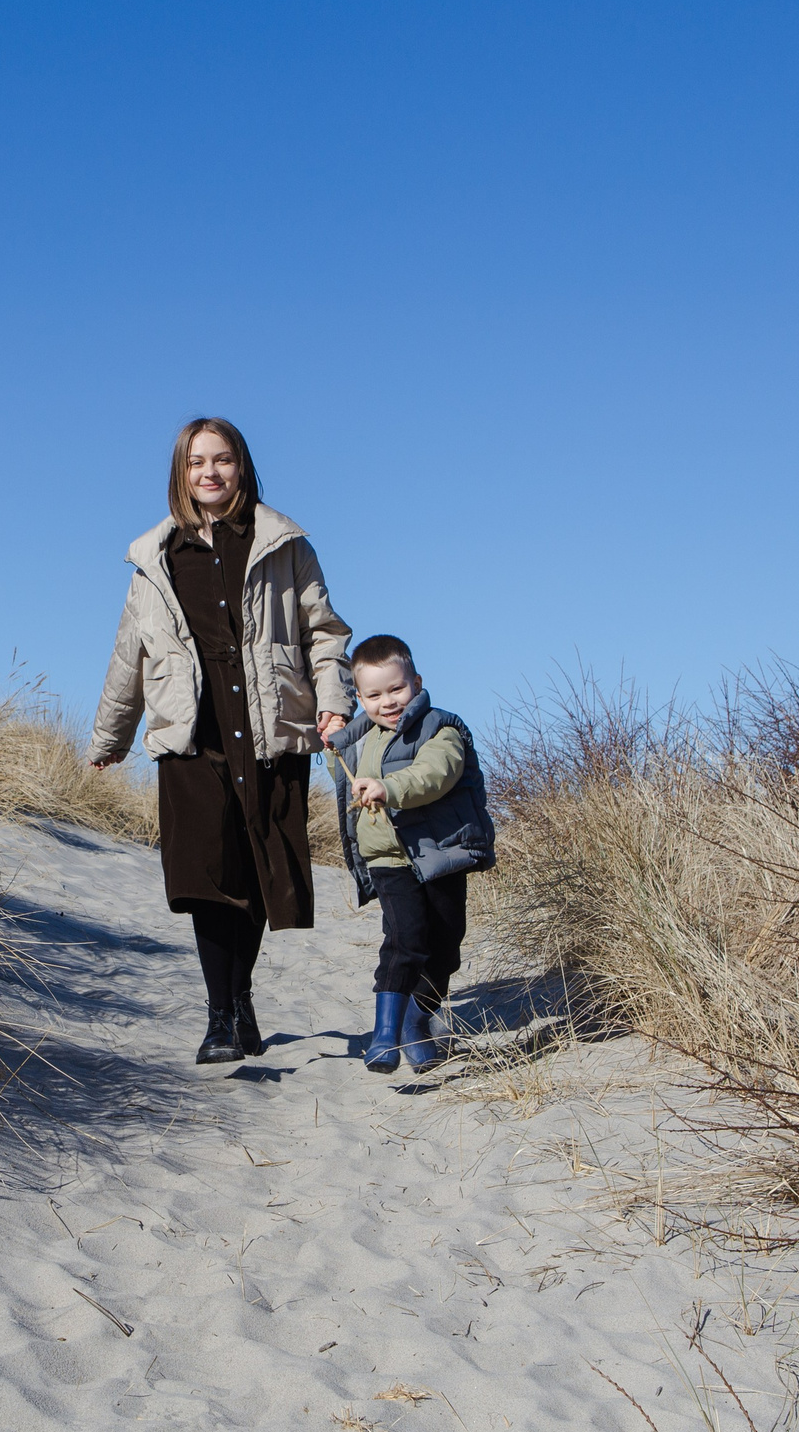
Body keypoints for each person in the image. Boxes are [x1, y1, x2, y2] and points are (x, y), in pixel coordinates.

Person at [90, 418, 354, 1064]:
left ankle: (240, 999)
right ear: (181, 473)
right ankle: (219, 1017)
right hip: (192, 737)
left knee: (258, 875)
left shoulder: (284, 545)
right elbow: (131, 651)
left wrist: (334, 703)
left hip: (270, 730)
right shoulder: (156, 557)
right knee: (209, 879)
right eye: (196, 462)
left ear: (242, 466)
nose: (210, 472)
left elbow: (324, 633)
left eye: (222, 460)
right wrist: (111, 735)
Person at [329, 634, 496, 1074]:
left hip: (440, 852)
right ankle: (385, 1033)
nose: (388, 702)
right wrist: (332, 745)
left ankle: (416, 1021)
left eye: (397, 689)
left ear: (417, 682)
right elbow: (346, 777)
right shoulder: (358, 740)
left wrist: (390, 788)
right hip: (388, 857)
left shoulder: (442, 728)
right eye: (374, 694)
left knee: (444, 943)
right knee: (405, 938)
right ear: (360, 697)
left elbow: (435, 774)